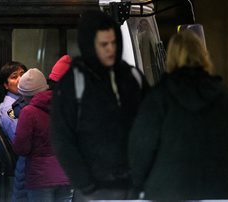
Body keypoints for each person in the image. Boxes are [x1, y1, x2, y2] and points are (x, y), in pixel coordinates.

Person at [128, 30, 228, 200]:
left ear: (171, 56)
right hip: (219, 190)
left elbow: (141, 146)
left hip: (168, 190)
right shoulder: (224, 97)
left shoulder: (159, 97)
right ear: (203, 55)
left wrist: (140, 183)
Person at [50, 10, 147, 200]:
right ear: (90, 45)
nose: (110, 49)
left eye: (114, 43)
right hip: (93, 190)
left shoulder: (133, 77)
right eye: (104, 44)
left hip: (132, 186)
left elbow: (151, 125)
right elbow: (62, 139)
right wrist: (86, 184)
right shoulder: (73, 85)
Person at [13, 68, 72, 202]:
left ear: (26, 95)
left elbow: (21, 148)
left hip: (40, 179)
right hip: (65, 175)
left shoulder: (28, 112)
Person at [0, 61, 28, 201]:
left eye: (22, 74)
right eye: (14, 76)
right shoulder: (8, 109)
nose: (20, 79)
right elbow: (20, 140)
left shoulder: (25, 102)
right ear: (6, 85)